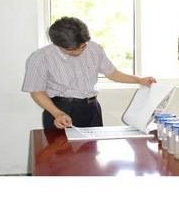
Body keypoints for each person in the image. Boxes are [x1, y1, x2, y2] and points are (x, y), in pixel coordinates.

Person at [22, 16, 156, 130]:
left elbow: (112, 73)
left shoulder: (94, 48)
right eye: (72, 50)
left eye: (82, 46)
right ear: (57, 44)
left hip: (92, 108)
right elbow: (36, 91)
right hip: (61, 110)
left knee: (93, 149)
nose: (79, 51)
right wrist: (57, 113)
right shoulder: (41, 58)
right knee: (62, 152)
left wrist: (139, 80)